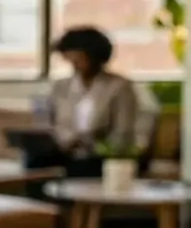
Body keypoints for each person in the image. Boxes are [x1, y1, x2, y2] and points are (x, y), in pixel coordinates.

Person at [46, 25, 141, 172]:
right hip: (63, 152)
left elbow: (123, 133)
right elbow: (53, 124)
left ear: (94, 55)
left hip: (100, 156)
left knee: (82, 167)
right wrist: (67, 143)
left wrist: (92, 148)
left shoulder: (119, 87)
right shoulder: (61, 87)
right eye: (70, 56)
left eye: (79, 56)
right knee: (37, 161)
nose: (74, 61)